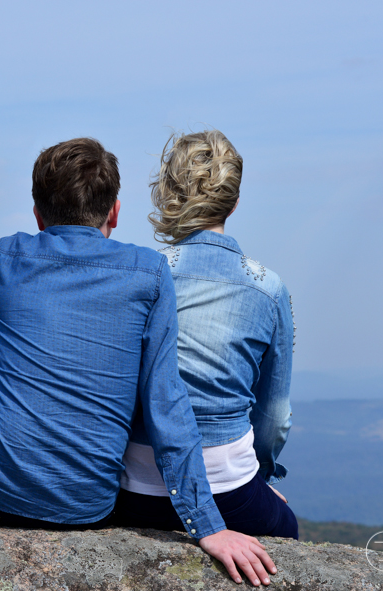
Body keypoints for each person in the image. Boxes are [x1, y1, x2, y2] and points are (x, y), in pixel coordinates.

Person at [0, 137, 278, 586]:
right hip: (85, 508)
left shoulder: (4, 257)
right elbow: (166, 404)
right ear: (115, 213)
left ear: (37, 214)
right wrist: (208, 525)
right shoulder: (148, 273)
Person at [113, 130, 298, 539]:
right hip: (228, 489)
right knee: (286, 530)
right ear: (234, 201)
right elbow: (275, 418)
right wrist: (259, 477)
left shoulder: (139, 273)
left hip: (136, 488)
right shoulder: (268, 288)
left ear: (168, 194)